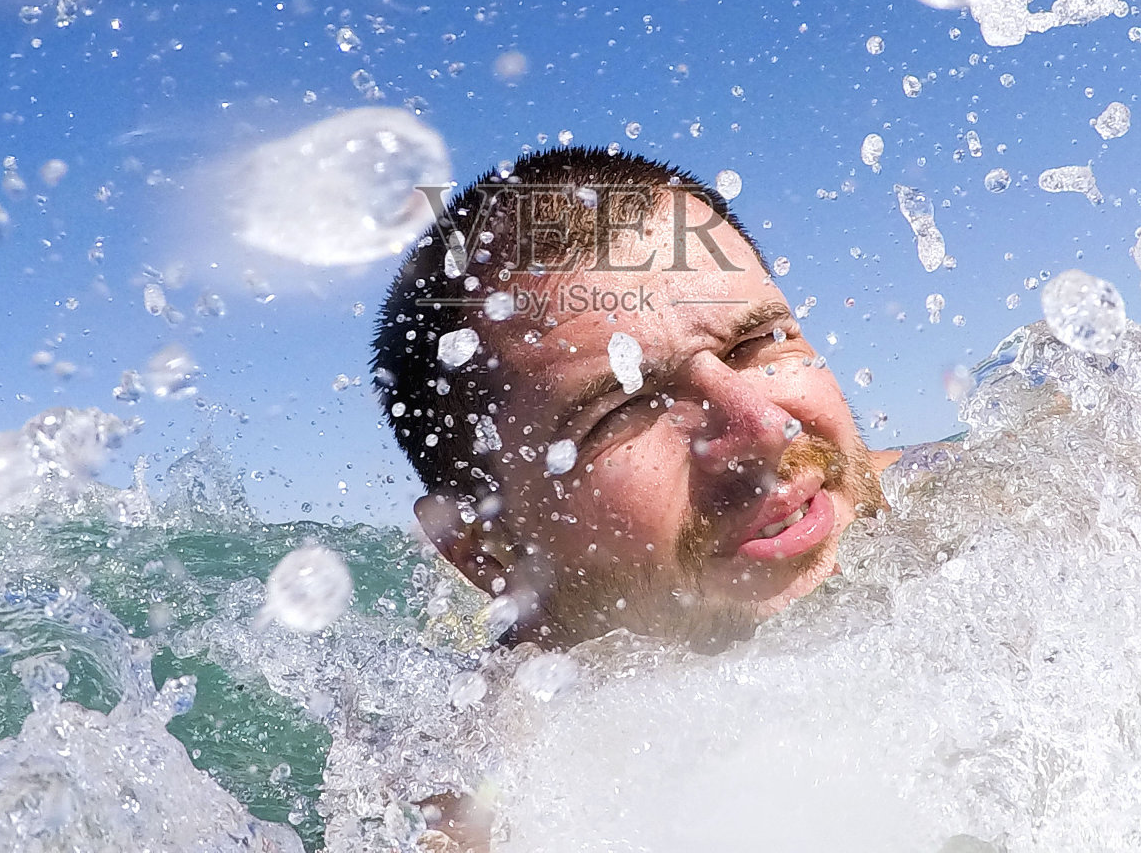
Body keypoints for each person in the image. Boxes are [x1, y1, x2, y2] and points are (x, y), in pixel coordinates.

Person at [372, 147, 898, 655]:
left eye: (754, 344)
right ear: (488, 550)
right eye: (620, 411)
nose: (764, 427)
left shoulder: (959, 500)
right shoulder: (488, 743)